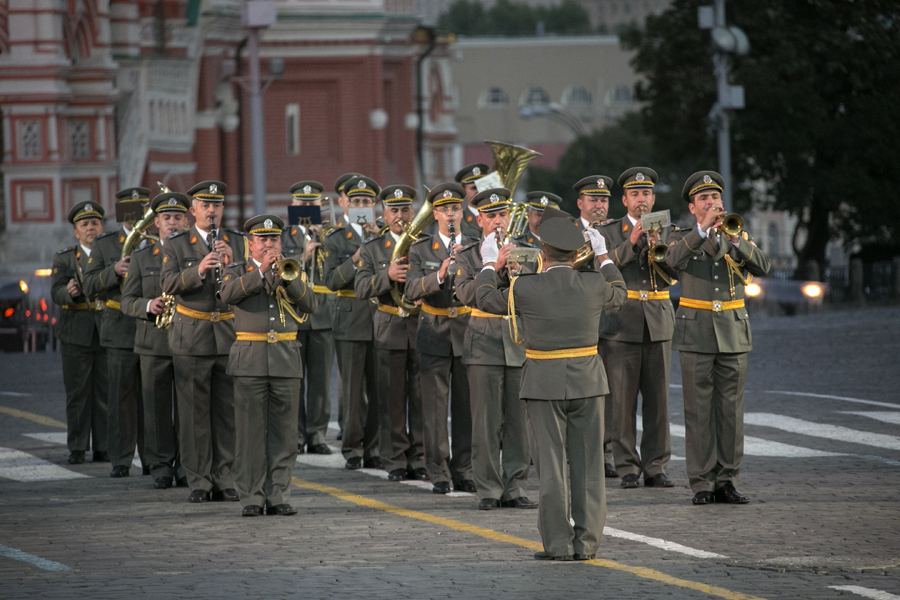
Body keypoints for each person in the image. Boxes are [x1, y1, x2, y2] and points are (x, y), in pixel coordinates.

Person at [474, 209, 626, 560]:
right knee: (588, 466)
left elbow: (484, 298)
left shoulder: (525, 287)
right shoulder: (593, 284)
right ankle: (587, 544)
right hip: (588, 381)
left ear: (542, 253)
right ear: (576, 254)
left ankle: (557, 544)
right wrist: (603, 255)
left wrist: (487, 265)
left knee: (552, 467)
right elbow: (619, 291)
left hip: (543, 383)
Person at [665, 171, 770, 505]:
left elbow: (764, 266)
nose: (712, 204)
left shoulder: (737, 235)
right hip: (695, 332)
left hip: (733, 330)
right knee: (698, 411)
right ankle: (701, 482)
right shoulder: (680, 238)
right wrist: (700, 232)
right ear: (693, 208)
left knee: (730, 411)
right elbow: (670, 264)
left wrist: (737, 241)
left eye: (716, 199)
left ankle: (727, 479)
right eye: (704, 200)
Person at [219, 214, 317, 517]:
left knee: (285, 435)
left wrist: (287, 278)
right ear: (251, 244)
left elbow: (310, 305)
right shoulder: (236, 271)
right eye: (263, 240)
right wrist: (260, 272)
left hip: (286, 358)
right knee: (249, 435)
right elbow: (226, 296)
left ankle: (278, 495)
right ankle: (251, 497)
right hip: (249, 360)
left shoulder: (291, 270)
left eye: (274, 239)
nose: (269, 244)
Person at [160, 180, 245, 503]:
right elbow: (167, 283)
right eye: (206, 205)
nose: (212, 211)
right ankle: (198, 479)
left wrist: (231, 263)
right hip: (192, 337)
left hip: (226, 335)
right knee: (194, 413)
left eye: (217, 205)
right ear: (192, 210)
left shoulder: (235, 241)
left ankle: (226, 477)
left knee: (227, 412)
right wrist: (198, 269)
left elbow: (248, 281)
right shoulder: (176, 244)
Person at [598, 167, 679, 490]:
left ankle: (656, 465)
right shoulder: (609, 232)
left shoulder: (668, 230)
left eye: (646, 194)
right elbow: (603, 267)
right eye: (635, 194)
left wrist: (660, 246)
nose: (641, 200)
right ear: (625, 200)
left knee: (658, 400)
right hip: (621, 321)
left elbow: (675, 272)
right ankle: (627, 465)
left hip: (658, 318)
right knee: (621, 400)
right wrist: (632, 242)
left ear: (653, 198)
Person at [455, 187, 536, 510]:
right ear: (479, 220)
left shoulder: (527, 250)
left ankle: (516, 485)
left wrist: (511, 266)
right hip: (483, 342)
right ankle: (488, 487)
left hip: (517, 341)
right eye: (491, 216)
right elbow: (466, 295)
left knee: (518, 421)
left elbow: (531, 291)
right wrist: (491, 266)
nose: (498, 221)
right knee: (486, 421)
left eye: (502, 214)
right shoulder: (468, 255)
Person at [405, 182, 476, 495]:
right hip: (433, 330)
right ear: (434, 214)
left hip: (465, 329)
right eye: (445, 209)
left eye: (455, 208)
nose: (451, 214)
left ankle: (465, 468)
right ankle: (438, 470)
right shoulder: (420, 247)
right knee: (434, 408)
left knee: (466, 406)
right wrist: (439, 276)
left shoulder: (475, 245)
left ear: (462, 212)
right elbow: (410, 289)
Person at [354, 185, 427, 482]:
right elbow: (360, 288)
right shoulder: (373, 248)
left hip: (420, 327)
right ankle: (395, 458)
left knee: (422, 398)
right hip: (389, 327)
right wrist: (387, 276)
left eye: (405, 210)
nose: (400, 216)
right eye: (394, 211)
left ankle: (420, 457)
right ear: (384, 214)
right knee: (391, 398)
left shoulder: (424, 244)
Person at [120, 191, 190, 489]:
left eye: (177, 217)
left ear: (186, 221)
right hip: (153, 342)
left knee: (190, 409)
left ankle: (190, 465)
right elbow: (127, 301)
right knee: (156, 409)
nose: (172, 223)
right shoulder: (141, 257)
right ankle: (161, 465)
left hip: (190, 341)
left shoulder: (196, 254)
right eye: (166, 218)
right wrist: (148, 306)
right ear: (155, 223)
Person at [83, 187, 149, 478]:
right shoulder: (106, 244)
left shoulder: (156, 241)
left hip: (151, 325)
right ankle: (120, 458)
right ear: (121, 211)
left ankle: (154, 459)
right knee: (120, 396)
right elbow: (89, 284)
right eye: (129, 209)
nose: (135, 214)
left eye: (140, 208)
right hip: (120, 326)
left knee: (151, 397)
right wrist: (115, 271)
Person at [323, 175, 382, 470]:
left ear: (374, 205)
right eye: (357, 201)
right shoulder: (336, 238)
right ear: (347, 205)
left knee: (378, 388)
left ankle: (374, 448)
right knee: (353, 391)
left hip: (380, 319)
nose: (362, 206)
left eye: (367, 202)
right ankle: (352, 448)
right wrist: (356, 258)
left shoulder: (383, 234)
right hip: (351, 318)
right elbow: (331, 280)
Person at [50, 201, 109, 465]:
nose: (90, 229)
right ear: (76, 232)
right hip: (76, 331)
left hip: (106, 330)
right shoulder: (65, 258)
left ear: (102, 227)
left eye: (95, 223)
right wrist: (68, 293)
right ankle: (77, 446)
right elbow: (56, 291)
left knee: (105, 392)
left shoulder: (112, 254)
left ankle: (104, 446)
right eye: (84, 225)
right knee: (78, 393)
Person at [281, 181, 336, 455]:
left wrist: (323, 238)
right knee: (294, 380)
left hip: (323, 315)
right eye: (301, 205)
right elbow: (280, 268)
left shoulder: (330, 233)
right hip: (294, 315)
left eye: (311, 205)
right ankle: (297, 435)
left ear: (319, 207)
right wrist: (302, 256)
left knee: (320, 382)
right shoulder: (283, 235)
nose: (306, 209)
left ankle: (317, 435)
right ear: (293, 207)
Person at [573, 175, 618, 478]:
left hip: (610, 322)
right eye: (593, 200)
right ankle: (579, 451)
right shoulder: (567, 230)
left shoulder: (616, 232)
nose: (599, 205)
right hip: (577, 322)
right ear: (580, 203)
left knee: (610, 393)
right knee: (578, 392)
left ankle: (607, 453)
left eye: (603, 200)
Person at [454, 163, 489, 239]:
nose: (478, 191)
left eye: (481, 187)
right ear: (464, 191)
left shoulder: (500, 216)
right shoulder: (458, 221)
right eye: (474, 188)